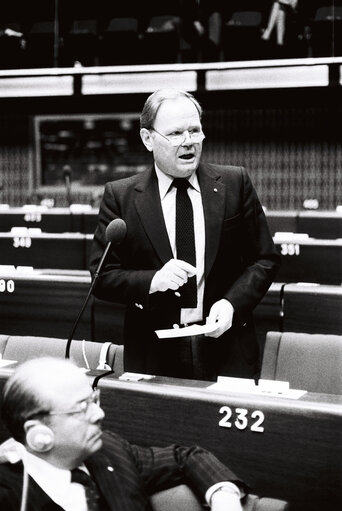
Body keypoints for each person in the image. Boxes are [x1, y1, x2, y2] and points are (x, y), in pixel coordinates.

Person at [89, 88, 280, 381]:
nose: (189, 142)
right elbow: (103, 278)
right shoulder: (121, 196)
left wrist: (232, 303)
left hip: (227, 347)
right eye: (176, 133)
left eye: (195, 130)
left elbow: (264, 259)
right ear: (148, 139)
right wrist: (152, 280)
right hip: (154, 351)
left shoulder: (234, 183)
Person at [0, 357, 246, 510]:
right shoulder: (10, 496)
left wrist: (225, 497)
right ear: (39, 435)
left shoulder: (109, 450)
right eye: (82, 407)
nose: (99, 414)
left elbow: (186, 457)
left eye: (94, 400)